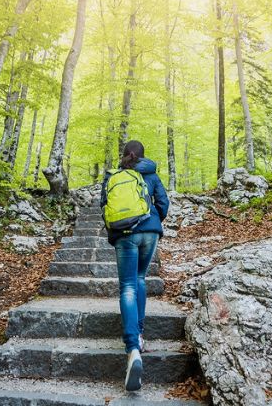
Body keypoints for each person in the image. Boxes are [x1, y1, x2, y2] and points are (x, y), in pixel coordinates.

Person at [100, 139, 169, 392]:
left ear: (125, 155)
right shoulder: (151, 173)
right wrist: (151, 220)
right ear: (142, 155)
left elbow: (104, 206)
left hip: (125, 233)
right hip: (149, 233)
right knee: (139, 279)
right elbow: (163, 204)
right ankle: (139, 335)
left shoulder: (114, 175)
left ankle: (132, 347)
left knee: (127, 286)